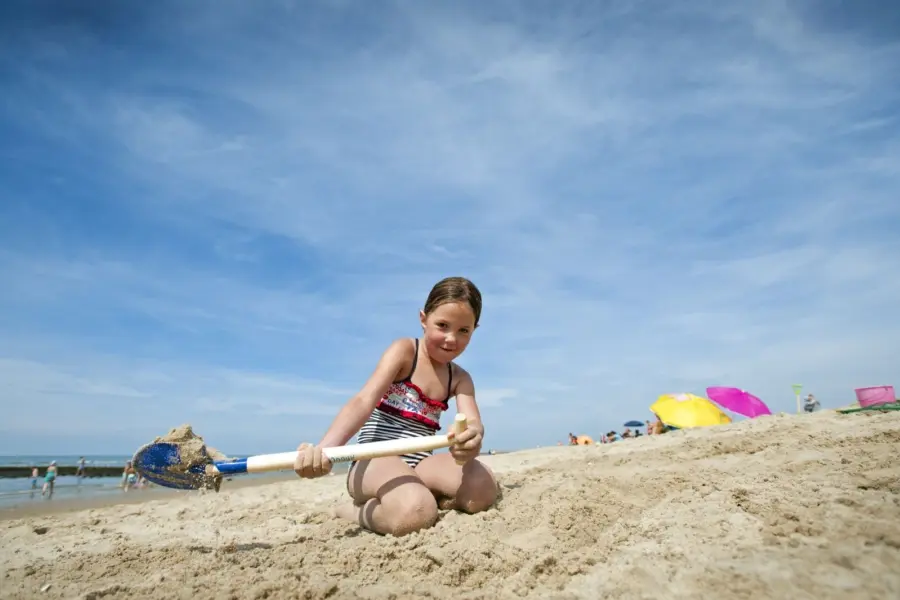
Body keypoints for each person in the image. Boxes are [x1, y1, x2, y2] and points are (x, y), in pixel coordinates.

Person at [293, 277, 498, 536]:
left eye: (463, 331)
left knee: (482, 488)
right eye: (442, 325)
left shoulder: (459, 378)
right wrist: (326, 449)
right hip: (374, 461)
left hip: (420, 464)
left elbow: (473, 422)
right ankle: (351, 510)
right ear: (423, 319)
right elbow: (363, 401)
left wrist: (472, 439)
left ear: (474, 330)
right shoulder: (405, 352)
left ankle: (414, 495)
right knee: (415, 512)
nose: (450, 339)